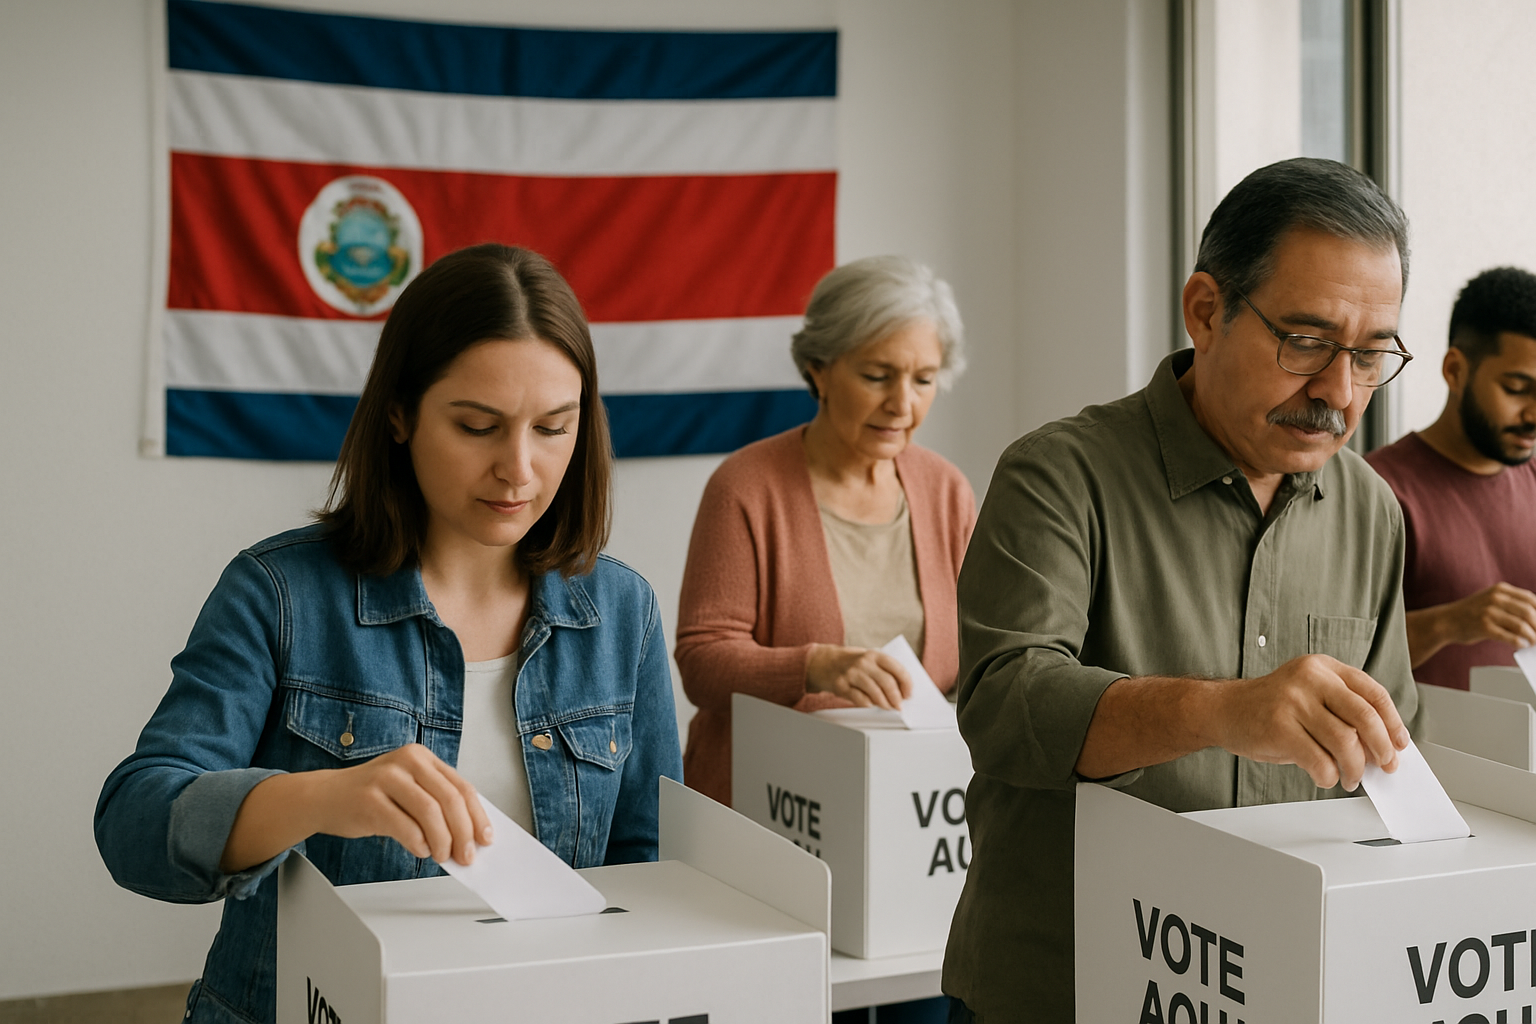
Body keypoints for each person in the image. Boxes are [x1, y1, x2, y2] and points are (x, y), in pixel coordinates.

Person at [95, 244, 682, 1024]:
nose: (519, 468)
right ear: (400, 415)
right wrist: (314, 797)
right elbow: (135, 824)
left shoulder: (623, 610)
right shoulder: (280, 593)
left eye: (553, 427)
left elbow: (656, 870)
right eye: (478, 426)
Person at [943, 158, 1418, 1023]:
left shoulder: (1374, 510)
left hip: (1270, 988)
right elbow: (1005, 704)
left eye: (1372, 354)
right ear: (1205, 310)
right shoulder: (1059, 474)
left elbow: (1387, 754)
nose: (1339, 394)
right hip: (1065, 989)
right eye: (1305, 342)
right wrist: (1225, 711)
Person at [675, 255, 975, 1024]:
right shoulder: (746, 486)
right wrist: (816, 665)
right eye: (878, 374)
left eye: (923, 377)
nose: (902, 404)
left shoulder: (944, 490)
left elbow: (979, 656)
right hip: (777, 831)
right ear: (819, 367)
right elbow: (702, 661)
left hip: (908, 834)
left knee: (924, 1009)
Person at [1365, 267, 1536, 689]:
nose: (1534, 415)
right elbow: (1332, 655)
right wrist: (1450, 622)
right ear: (1456, 371)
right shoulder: (1376, 489)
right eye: (1517, 388)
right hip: (1422, 752)